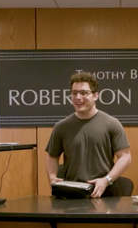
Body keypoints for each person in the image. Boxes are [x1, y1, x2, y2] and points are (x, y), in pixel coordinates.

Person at [45, 71, 131, 199]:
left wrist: (106, 180)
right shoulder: (61, 127)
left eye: (84, 93)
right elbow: (52, 156)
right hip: (71, 194)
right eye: (74, 93)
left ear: (95, 96)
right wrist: (52, 177)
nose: (78, 97)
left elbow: (125, 157)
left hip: (104, 193)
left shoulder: (111, 123)